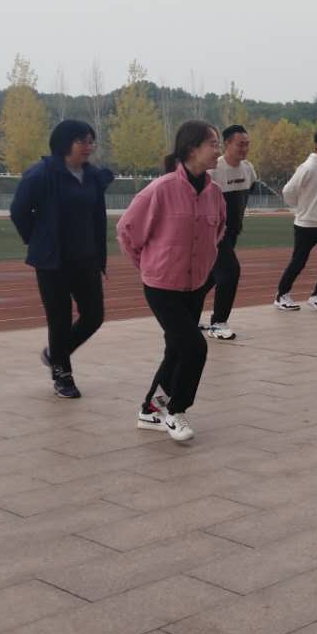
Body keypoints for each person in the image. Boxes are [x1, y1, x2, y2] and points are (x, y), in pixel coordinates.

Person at [119, 121, 226, 443]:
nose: (218, 150)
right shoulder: (161, 190)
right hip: (162, 286)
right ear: (192, 149)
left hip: (195, 286)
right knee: (194, 347)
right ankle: (176, 410)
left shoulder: (214, 194)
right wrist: (149, 267)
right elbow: (127, 231)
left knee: (177, 349)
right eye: (213, 144)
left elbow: (218, 232)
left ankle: (151, 409)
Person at [9, 120, 114, 399]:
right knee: (59, 318)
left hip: (86, 257)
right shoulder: (41, 174)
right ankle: (62, 374)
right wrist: (37, 239)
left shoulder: (92, 176)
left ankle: (55, 353)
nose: (88, 147)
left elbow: (97, 216)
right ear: (64, 143)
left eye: (91, 141)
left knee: (94, 316)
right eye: (82, 141)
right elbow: (19, 211)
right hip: (52, 260)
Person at [192, 124, 256, 341]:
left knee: (209, 278)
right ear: (227, 144)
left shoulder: (248, 169)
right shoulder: (213, 171)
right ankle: (218, 323)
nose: (244, 148)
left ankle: (187, 314)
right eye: (240, 144)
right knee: (230, 271)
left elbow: (247, 193)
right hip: (214, 234)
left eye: (247, 144)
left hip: (232, 232)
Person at [274, 128, 317, 313]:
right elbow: (288, 190)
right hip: (306, 225)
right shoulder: (308, 167)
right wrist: (300, 207)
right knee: (298, 262)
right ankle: (281, 296)